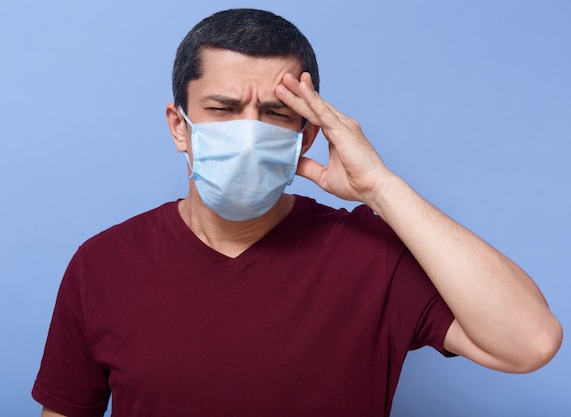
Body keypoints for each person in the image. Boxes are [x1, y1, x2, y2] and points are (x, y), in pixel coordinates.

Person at [32, 8, 562, 417]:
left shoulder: (372, 256)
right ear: (179, 125)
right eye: (222, 109)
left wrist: (380, 187)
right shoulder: (102, 264)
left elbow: (530, 343)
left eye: (274, 114)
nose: (247, 132)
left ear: (307, 133)